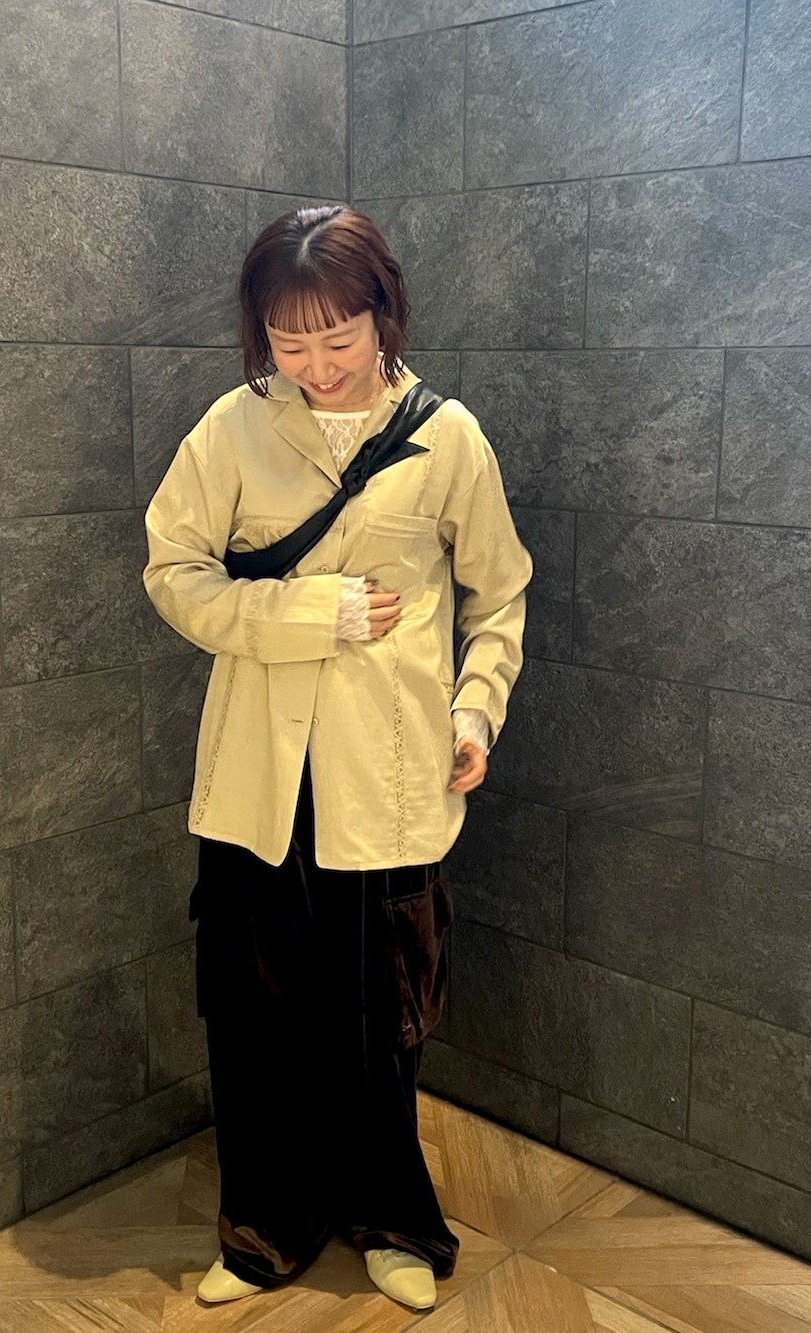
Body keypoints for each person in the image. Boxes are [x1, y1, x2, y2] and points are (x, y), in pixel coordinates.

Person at [143, 205, 531, 1310]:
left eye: (337, 338)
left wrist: (475, 713)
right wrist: (310, 613)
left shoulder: (446, 437)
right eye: (287, 341)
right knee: (255, 1015)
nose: (314, 366)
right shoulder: (230, 430)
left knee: (380, 1015)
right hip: (257, 782)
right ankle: (264, 1225)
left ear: (382, 312)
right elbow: (174, 574)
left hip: (391, 776)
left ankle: (390, 1216)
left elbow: (498, 593)